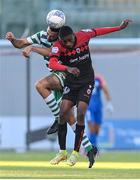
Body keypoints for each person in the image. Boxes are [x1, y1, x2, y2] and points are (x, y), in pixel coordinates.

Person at [5, 10, 97, 168]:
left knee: (40, 85)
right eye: (49, 29)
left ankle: (56, 119)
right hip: (56, 76)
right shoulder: (41, 35)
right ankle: (89, 148)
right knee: (69, 118)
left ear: (59, 34)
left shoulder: (62, 42)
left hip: (64, 75)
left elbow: (50, 52)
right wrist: (13, 39)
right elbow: (21, 43)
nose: (49, 34)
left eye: (53, 32)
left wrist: (33, 48)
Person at [48, 20, 131, 167]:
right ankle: (62, 152)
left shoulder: (83, 36)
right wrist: (67, 68)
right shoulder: (57, 46)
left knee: (80, 113)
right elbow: (52, 63)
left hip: (86, 82)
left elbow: (100, 30)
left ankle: (75, 153)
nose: (67, 44)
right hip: (71, 83)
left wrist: (119, 27)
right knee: (63, 112)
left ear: (73, 36)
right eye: (64, 42)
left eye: (69, 40)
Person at [85, 73, 114, 149]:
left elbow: (105, 89)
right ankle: (92, 149)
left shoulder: (98, 78)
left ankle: (90, 147)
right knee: (92, 128)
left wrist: (109, 103)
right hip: (88, 108)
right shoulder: (83, 79)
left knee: (97, 130)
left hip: (98, 107)